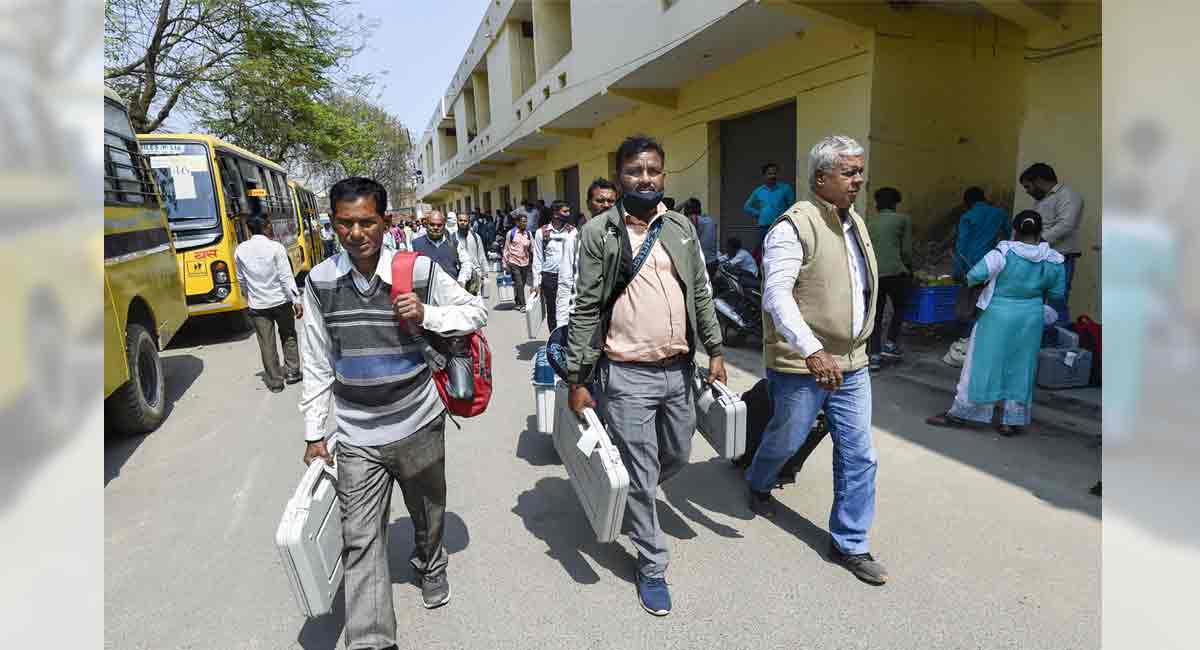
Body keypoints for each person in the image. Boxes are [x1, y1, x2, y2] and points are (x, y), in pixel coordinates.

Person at [299, 177, 486, 646]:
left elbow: (475, 312)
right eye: (345, 223)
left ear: (385, 222)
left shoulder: (417, 269)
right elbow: (316, 361)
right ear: (332, 224)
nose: (355, 233)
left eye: (366, 222)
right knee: (360, 540)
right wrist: (314, 432)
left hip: (418, 422)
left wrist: (427, 314)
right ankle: (372, 640)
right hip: (356, 436)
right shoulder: (319, 282)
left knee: (427, 511)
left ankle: (431, 562)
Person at [564, 135, 726, 617]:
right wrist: (577, 378)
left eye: (653, 170)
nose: (646, 178)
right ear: (620, 177)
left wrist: (716, 349)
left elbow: (700, 291)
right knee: (640, 471)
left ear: (664, 174)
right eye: (635, 171)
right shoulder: (600, 233)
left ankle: (635, 496)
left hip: (678, 370)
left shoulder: (679, 226)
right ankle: (652, 564)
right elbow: (586, 307)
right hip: (627, 373)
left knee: (676, 453)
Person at [747, 135, 886, 586]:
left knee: (859, 454)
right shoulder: (793, 227)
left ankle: (850, 542)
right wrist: (812, 350)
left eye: (860, 171)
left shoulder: (856, 222)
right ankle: (759, 481)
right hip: (802, 364)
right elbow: (776, 295)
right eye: (849, 172)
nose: (859, 180)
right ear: (821, 177)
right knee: (786, 439)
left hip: (853, 362)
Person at [926, 210, 1066, 436]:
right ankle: (1011, 420)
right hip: (1030, 318)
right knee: (1022, 367)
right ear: (1040, 231)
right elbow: (1057, 293)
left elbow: (974, 276)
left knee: (981, 365)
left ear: (1015, 230)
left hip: (996, 316)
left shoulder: (1002, 253)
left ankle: (965, 412)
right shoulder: (1054, 259)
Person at [234, 217, 303, 392]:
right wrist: (296, 300)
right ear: (265, 228)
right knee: (288, 335)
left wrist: (248, 296)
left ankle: (275, 382)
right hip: (281, 302)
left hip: (258, 305)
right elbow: (286, 276)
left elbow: (241, 279)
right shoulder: (276, 247)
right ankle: (292, 372)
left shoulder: (240, 250)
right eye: (270, 226)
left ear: (249, 230)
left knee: (266, 343)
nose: (272, 229)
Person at [947, 186, 1010, 364]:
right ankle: (983, 343)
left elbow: (961, 244)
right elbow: (1008, 237)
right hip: (992, 264)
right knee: (985, 303)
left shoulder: (967, 216)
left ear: (967, 202)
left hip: (970, 266)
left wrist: (957, 271)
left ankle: (965, 342)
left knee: (966, 305)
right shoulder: (999, 213)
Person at [1019, 162, 1083, 327]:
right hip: (1041, 258)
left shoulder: (1067, 195)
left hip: (1060, 259)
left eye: (1028, 186)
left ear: (1039, 181)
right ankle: (1039, 338)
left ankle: (1059, 340)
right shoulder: (1041, 201)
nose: (1027, 191)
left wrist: (1035, 241)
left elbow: (1066, 225)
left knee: (1057, 304)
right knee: (1037, 303)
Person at [556, 177, 618, 327]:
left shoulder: (624, 235)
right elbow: (566, 282)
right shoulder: (575, 237)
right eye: (600, 201)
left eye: (611, 201)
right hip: (590, 318)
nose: (606, 205)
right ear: (588, 204)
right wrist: (563, 324)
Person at [866, 187, 913, 371]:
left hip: (874, 274)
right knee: (900, 307)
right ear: (895, 203)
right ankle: (891, 343)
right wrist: (909, 268)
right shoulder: (903, 220)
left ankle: (874, 356)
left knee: (876, 315)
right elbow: (906, 251)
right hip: (896, 272)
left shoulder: (869, 222)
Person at [531, 200, 575, 331]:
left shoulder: (573, 231)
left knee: (568, 310)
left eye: (569, 211)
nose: (568, 214)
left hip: (569, 278)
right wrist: (536, 283)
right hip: (550, 278)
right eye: (565, 211)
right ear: (555, 213)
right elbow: (538, 258)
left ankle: (567, 338)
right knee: (552, 311)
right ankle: (554, 339)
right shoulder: (542, 232)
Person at [410, 211, 473, 288]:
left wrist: (461, 280)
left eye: (439, 225)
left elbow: (466, 262)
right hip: (426, 292)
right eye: (432, 224)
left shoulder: (453, 243)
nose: (435, 228)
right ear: (426, 225)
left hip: (452, 290)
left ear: (444, 225)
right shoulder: (415, 245)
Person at [743, 162, 796, 247]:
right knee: (763, 250)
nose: (773, 176)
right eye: (770, 174)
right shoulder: (759, 191)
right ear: (764, 175)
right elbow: (747, 207)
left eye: (775, 173)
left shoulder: (785, 189)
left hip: (780, 226)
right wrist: (759, 213)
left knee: (780, 249)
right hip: (763, 228)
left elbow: (793, 208)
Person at [502, 213, 534, 312]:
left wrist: (536, 258)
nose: (525, 224)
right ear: (517, 222)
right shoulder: (511, 233)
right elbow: (506, 248)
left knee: (522, 284)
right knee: (519, 283)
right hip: (513, 262)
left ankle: (517, 301)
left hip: (525, 262)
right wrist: (504, 263)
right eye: (523, 222)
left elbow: (532, 247)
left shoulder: (528, 234)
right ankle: (523, 305)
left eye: (526, 222)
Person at [681, 197, 719, 277]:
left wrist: (683, 204)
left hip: (703, 264)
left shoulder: (693, 219)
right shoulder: (709, 220)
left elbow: (671, 213)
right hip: (713, 262)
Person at [456, 211, 488, 295]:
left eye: (465, 221)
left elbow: (481, 255)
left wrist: (485, 272)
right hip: (460, 277)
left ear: (468, 222)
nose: (463, 223)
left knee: (476, 300)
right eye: (460, 220)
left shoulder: (476, 237)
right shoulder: (453, 238)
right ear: (457, 221)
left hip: (476, 274)